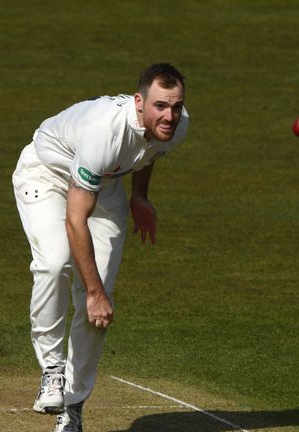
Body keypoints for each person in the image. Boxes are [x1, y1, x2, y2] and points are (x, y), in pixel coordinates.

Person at [12, 63, 189, 432]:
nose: (169, 115)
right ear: (139, 101)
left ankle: (72, 408)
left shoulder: (177, 124)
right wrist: (91, 292)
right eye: (159, 106)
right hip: (47, 174)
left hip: (104, 185)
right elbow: (76, 220)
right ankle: (52, 370)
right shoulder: (102, 133)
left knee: (99, 304)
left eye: (175, 106)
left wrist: (140, 195)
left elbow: (149, 150)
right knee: (57, 264)